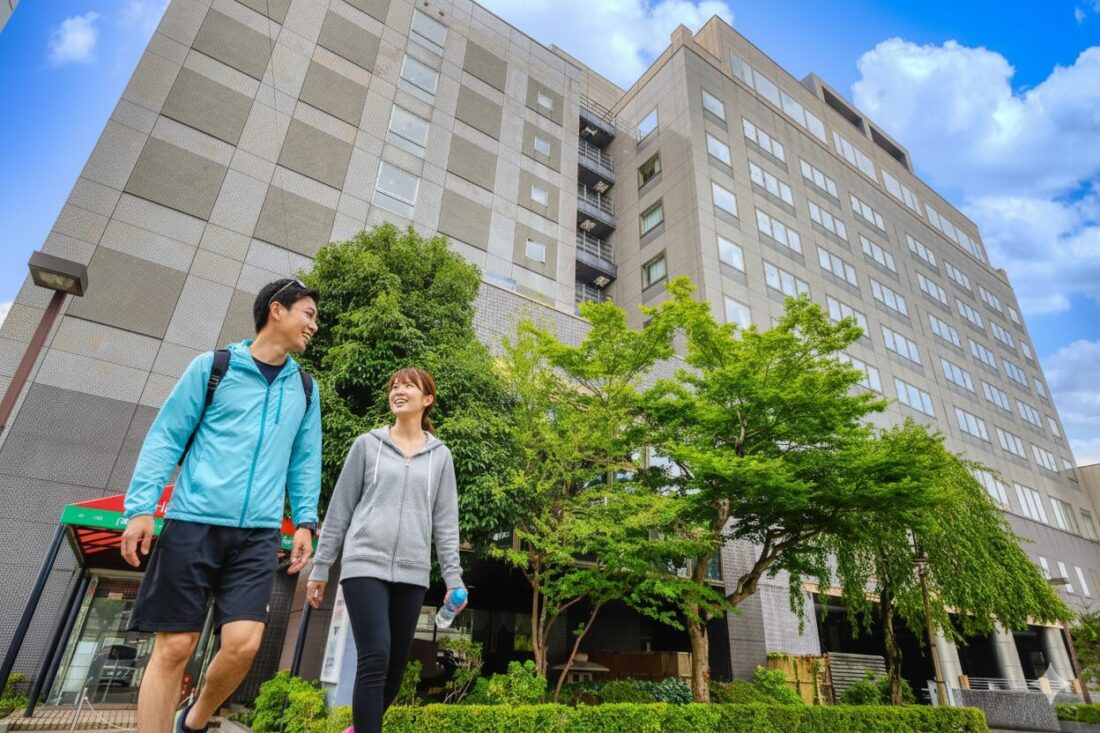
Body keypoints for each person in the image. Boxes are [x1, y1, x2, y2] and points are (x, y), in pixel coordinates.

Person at [119, 278, 322, 733]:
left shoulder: (306, 390)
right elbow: (166, 437)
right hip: (192, 523)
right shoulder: (214, 367)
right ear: (277, 310)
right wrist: (141, 508)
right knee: (174, 648)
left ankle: (193, 719)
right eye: (308, 313)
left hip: (258, 533)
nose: (314, 324)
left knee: (244, 644)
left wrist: (305, 521)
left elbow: (305, 461)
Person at [307, 368, 465, 733]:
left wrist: (454, 577)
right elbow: (340, 509)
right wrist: (321, 567)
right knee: (375, 655)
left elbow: (445, 522)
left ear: (427, 400)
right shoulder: (367, 445)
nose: (399, 390)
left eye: (409, 385)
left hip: (412, 571)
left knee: (395, 668)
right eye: (394, 385)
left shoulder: (441, 457)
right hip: (363, 564)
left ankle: (359, 728)